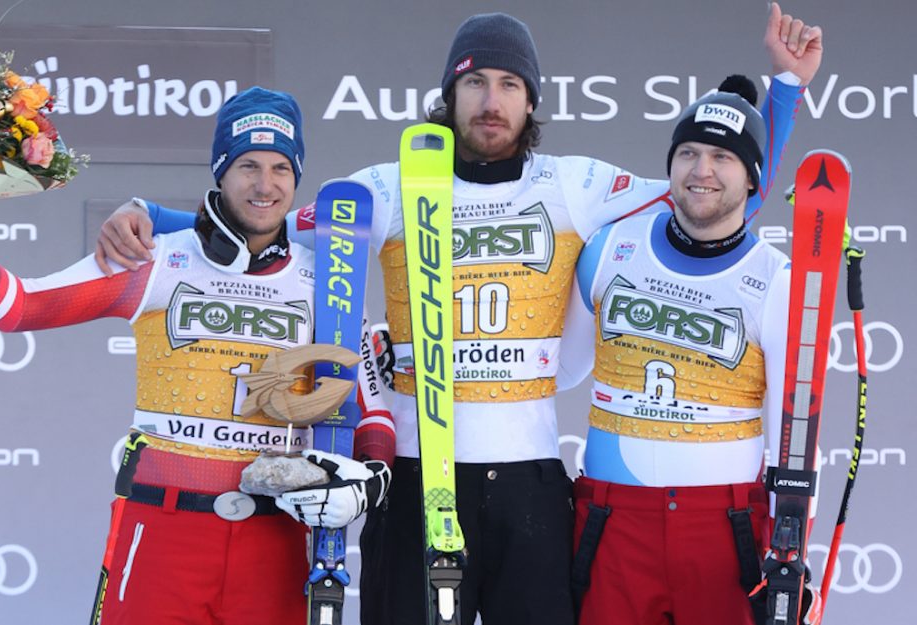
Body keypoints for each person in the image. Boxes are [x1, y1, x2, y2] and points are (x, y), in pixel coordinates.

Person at [93, 6, 822, 624]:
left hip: (530, 485)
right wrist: (149, 216)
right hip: (415, 476)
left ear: (532, 100)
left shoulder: (575, 185)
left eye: (510, 84)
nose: (492, 100)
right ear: (451, 93)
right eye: (476, 82)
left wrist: (784, 91)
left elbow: (714, 196)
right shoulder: (389, 185)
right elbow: (262, 221)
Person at [0, 86, 392, 625]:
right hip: (161, 529)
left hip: (276, 539)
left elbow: (367, 404)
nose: (265, 185)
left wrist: (370, 479)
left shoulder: (327, 280)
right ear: (220, 171)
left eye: (281, 167)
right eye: (248, 166)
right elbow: (18, 308)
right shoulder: (157, 258)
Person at [560, 76, 820, 625]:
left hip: (724, 523)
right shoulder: (610, 249)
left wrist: (792, 548)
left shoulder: (776, 280)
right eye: (688, 153)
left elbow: (793, 434)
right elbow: (560, 370)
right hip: (613, 515)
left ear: (753, 178)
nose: (702, 170)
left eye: (722, 156)